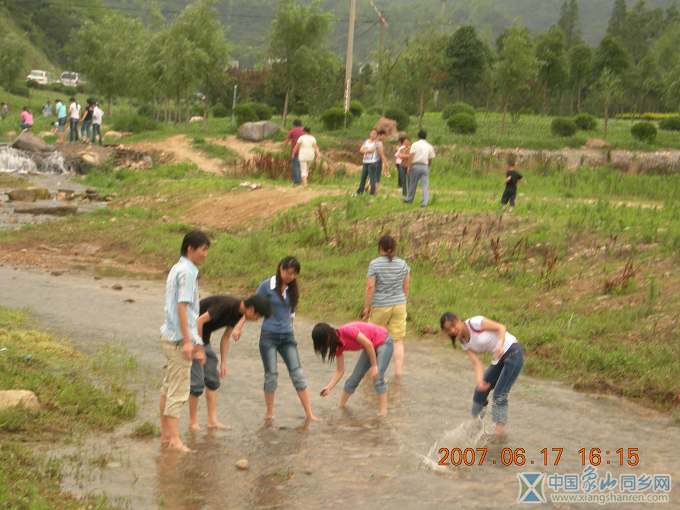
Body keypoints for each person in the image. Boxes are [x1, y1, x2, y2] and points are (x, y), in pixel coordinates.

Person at [188, 294, 271, 432]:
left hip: (203, 339)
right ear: (251, 309)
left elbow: (226, 338)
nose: (256, 320)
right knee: (196, 383)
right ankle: (193, 423)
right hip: (191, 337)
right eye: (258, 316)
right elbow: (199, 321)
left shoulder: (238, 314)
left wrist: (223, 363)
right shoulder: (226, 305)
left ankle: (212, 421)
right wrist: (198, 348)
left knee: (212, 379)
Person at [159, 230, 210, 453]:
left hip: (170, 335)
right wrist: (189, 341)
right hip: (179, 339)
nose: (205, 254)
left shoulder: (177, 268)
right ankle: (175, 440)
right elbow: (182, 306)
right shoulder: (188, 272)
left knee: (168, 387)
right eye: (203, 249)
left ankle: (165, 435)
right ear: (190, 248)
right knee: (178, 391)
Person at [440, 313, 524, 437]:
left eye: (453, 325)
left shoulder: (475, 323)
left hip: (513, 352)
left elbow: (501, 327)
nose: (453, 330)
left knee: (499, 395)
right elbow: (477, 363)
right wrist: (480, 382)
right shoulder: (463, 341)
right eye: (448, 330)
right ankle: (476, 428)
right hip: (498, 359)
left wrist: (500, 345)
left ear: (458, 320)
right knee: (479, 393)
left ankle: (498, 435)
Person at [256, 256, 317, 423]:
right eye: (287, 272)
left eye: (293, 274)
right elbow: (252, 305)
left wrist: (291, 329)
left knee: (298, 374)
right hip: (268, 336)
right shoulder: (266, 286)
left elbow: (291, 313)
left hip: (288, 337)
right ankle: (269, 414)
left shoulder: (293, 290)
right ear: (280, 269)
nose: (290, 276)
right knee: (272, 375)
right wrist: (239, 326)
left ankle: (309, 414)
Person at [312, 321, 394, 417]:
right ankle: (340, 407)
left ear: (327, 337)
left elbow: (368, 344)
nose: (325, 347)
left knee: (378, 378)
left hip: (383, 341)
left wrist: (374, 366)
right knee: (353, 379)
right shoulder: (338, 346)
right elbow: (340, 371)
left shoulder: (347, 330)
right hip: (370, 347)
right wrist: (329, 387)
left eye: (322, 344)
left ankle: (382, 414)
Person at [362, 235, 410, 378]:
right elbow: (406, 287)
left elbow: (370, 287)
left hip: (380, 306)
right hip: (400, 304)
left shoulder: (374, 264)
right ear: (394, 248)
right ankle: (398, 374)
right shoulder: (403, 264)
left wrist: (366, 307)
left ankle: (373, 371)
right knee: (398, 340)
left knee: (372, 339)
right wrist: (402, 300)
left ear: (379, 248)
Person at [404, 129, 436, 208]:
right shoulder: (429, 145)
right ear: (426, 136)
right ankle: (425, 202)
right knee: (425, 185)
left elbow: (411, 156)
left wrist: (409, 166)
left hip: (415, 165)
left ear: (418, 136)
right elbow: (430, 158)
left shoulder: (415, 144)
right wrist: (428, 166)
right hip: (424, 166)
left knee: (413, 183)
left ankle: (409, 199)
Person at [357, 129, 387, 196]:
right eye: (372, 133)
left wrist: (365, 150)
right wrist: (366, 150)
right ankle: (360, 191)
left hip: (372, 162)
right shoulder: (366, 141)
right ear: (370, 134)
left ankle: (372, 192)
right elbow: (361, 150)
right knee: (363, 177)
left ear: (376, 135)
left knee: (372, 178)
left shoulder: (377, 143)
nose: (373, 135)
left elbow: (372, 150)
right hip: (365, 161)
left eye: (374, 134)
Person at [287, 119, 305, 185]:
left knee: (295, 166)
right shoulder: (305, 130)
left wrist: (283, 146)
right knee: (302, 166)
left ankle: (297, 182)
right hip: (304, 151)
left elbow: (287, 140)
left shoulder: (292, 131)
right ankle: (302, 181)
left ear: (294, 124)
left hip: (296, 151)